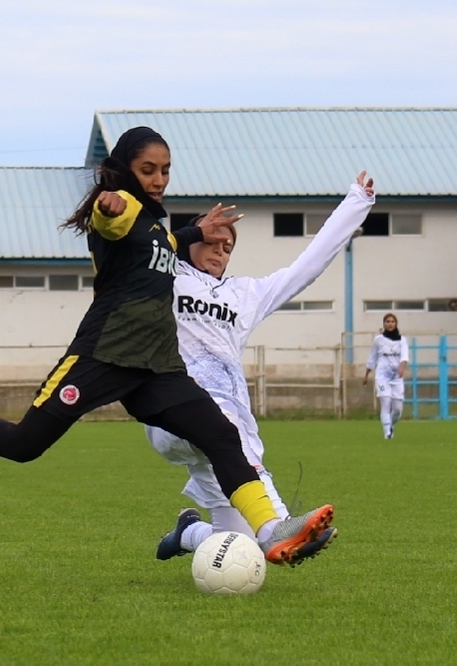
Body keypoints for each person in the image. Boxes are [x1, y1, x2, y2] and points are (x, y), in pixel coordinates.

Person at [0, 126, 334, 565]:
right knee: (24, 444)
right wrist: (107, 206)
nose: (159, 179)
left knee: (222, 434)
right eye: (148, 170)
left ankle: (271, 528)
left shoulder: (157, 227)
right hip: (103, 355)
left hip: (158, 367)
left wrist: (195, 230)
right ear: (124, 171)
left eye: (165, 170)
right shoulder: (123, 207)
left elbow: (163, 244)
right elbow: (113, 221)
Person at [148, 172, 376, 563]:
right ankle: (281, 525)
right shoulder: (166, 278)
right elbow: (138, 246)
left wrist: (356, 202)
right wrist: (184, 232)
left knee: (237, 544)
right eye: (212, 241)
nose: (220, 250)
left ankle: (189, 533)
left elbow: (308, 265)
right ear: (192, 241)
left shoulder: (245, 295)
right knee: (232, 439)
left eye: (228, 246)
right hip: (174, 409)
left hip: (222, 422)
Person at [363, 313, 409, 439]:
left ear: (396, 324)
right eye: (387, 321)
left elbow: (404, 356)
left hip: (396, 377)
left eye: (392, 321)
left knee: (397, 409)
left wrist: (402, 368)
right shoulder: (378, 340)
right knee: (386, 402)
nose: (390, 324)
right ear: (384, 324)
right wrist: (367, 374)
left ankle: (390, 426)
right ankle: (387, 433)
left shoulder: (402, 340)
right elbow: (372, 357)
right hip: (382, 376)